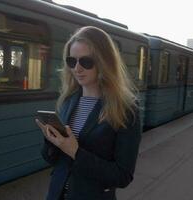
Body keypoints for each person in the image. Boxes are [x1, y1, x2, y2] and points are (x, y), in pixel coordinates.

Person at [35, 26, 141, 200]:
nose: (77, 68)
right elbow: (54, 160)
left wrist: (76, 152)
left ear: (104, 62)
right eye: (72, 61)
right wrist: (51, 141)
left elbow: (123, 176)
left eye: (86, 62)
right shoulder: (68, 100)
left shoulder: (126, 108)